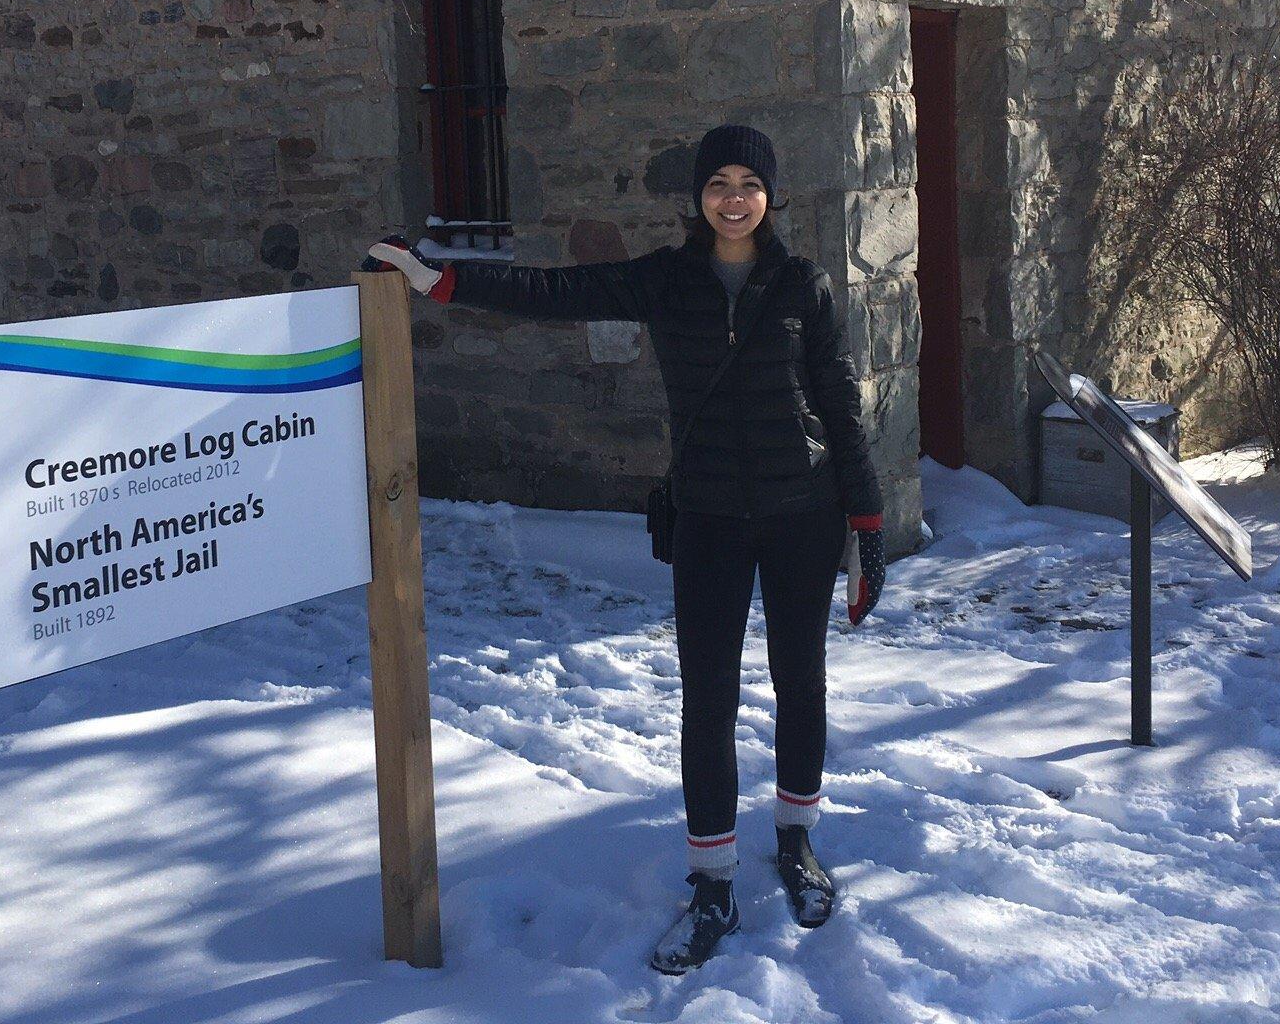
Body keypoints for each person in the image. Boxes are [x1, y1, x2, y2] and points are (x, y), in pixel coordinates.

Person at [364, 122, 887, 974]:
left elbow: (841, 405)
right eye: (717, 183)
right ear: (697, 196)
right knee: (708, 698)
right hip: (709, 517)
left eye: (748, 184)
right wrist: (445, 280)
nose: (733, 199)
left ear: (771, 195)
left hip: (803, 515)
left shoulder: (804, 286)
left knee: (801, 679)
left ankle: (797, 841)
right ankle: (712, 882)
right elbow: (555, 290)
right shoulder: (666, 279)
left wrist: (866, 526)